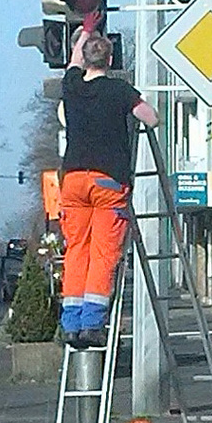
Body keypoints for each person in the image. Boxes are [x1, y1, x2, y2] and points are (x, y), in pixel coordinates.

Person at [57, 28, 160, 348]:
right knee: (103, 253)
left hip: (72, 180)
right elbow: (151, 118)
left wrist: (84, 31)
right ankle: (91, 324)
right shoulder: (119, 90)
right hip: (108, 180)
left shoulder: (71, 86)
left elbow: (73, 62)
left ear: (85, 59)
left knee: (76, 251)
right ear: (111, 60)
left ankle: (70, 323)